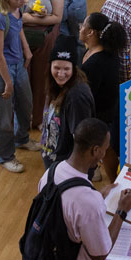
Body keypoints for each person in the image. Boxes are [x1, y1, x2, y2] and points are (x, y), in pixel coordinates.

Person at [35, 118, 131, 260]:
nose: (104, 153)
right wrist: (121, 212)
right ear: (95, 150)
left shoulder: (50, 173)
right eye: (105, 149)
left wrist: (98, 195)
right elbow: (100, 254)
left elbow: (65, 210)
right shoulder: (88, 201)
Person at [0, 0, 39, 174]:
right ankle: (6, 156)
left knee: (26, 104)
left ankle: (21, 139)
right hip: (3, 71)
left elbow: (18, 29)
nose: (24, 1)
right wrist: (8, 82)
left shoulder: (18, 10)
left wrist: (26, 50)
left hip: (19, 66)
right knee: (2, 117)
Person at [20, 0, 64, 130]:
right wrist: (33, 17)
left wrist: (27, 16)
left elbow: (57, 17)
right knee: (22, 79)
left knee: (41, 79)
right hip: (20, 38)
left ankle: (37, 118)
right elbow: (9, 14)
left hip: (45, 38)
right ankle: (21, 120)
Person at [80, 13, 126, 182]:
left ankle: (113, 181)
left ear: (91, 32)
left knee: (104, 150)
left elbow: (89, 93)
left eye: (83, 24)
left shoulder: (96, 63)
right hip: (103, 109)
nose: (80, 27)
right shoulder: (96, 51)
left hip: (101, 113)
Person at [41, 33, 95, 169]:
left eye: (66, 69)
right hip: (55, 163)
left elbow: (82, 141)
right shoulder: (56, 86)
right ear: (50, 67)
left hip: (67, 170)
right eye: (57, 68)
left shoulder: (77, 97)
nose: (60, 74)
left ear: (74, 69)